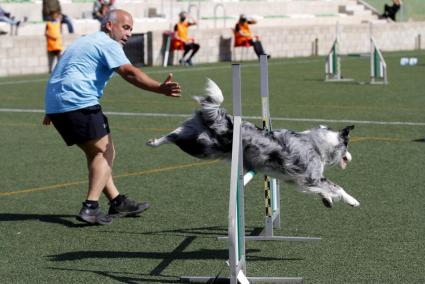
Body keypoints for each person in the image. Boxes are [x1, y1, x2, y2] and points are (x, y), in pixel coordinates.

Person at [43, 9, 182, 225]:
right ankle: (91, 207)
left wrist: (52, 109)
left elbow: (63, 68)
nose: (128, 33)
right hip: (78, 103)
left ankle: (117, 201)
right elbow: (129, 72)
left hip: (58, 104)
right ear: (109, 25)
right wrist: (159, 88)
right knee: (105, 152)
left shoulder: (84, 41)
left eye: (131, 29)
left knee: (96, 153)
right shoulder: (107, 43)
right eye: (125, 27)